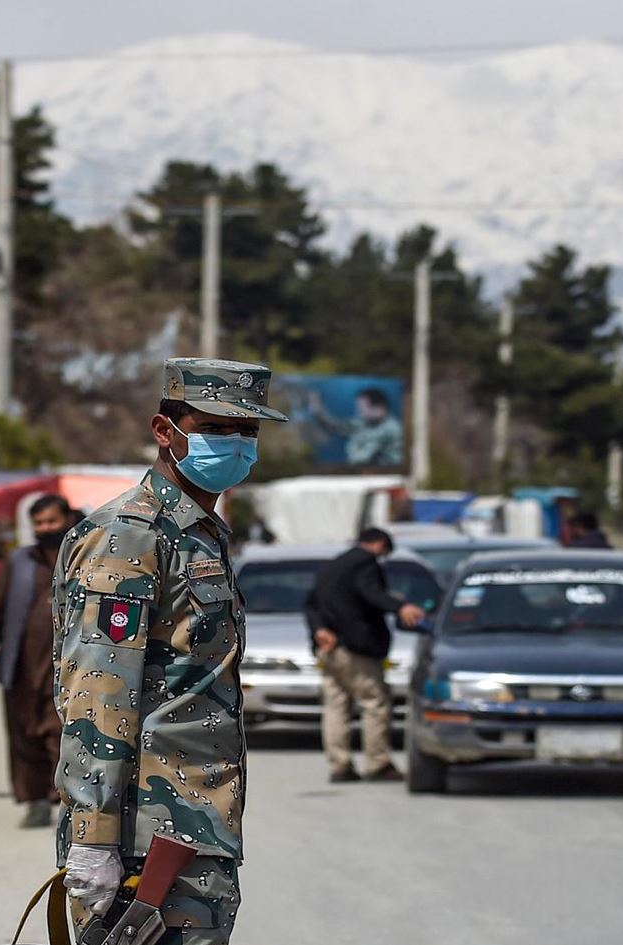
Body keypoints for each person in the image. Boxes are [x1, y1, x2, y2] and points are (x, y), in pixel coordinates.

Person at [53, 357, 288, 945]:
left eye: (246, 433)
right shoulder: (132, 536)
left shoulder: (199, 533)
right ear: (166, 431)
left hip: (193, 826)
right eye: (216, 429)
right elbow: (98, 698)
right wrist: (93, 838)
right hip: (141, 837)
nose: (234, 445)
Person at [0, 493, 74, 829]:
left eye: (51, 521)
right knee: (23, 735)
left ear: (67, 520)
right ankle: (34, 801)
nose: (45, 528)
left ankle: (60, 798)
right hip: (21, 665)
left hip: (68, 668)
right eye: (39, 523)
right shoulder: (18, 562)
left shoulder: (82, 557)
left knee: (59, 735)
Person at [304, 527, 425, 783]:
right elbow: (370, 593)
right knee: (375, 702)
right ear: (380, 544)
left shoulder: (333, 566)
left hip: (330, 648)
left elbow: (311, 603)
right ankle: (377, 763)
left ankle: (340, 765)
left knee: (336, 706)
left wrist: (320, 630)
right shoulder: (365, 563)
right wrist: (400, 606)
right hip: (356, 648)